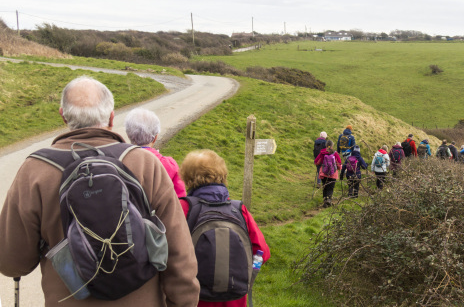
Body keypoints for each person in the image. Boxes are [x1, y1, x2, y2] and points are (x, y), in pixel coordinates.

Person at [0, 76, 200, 307]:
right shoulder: (145, 164)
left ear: (63, 115)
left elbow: (12, 263)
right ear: (112, 118)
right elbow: (179, 254)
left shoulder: (35, 171)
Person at [179, 149, 269, 307]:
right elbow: (262, 252)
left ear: (188, 180)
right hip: (235, 297)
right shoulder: (239, 209)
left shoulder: (183, 208)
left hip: (195, 297)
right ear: (222, 176)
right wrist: (248, 273)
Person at [124, 107, 187, 198]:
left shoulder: (121, 161)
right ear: (155, 137)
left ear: (128, 135)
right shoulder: (169, 165)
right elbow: (180, 199)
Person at [315, 140, 342, 207]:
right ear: (332, 146)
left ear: (326, 145)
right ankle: (329, 200)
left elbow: (316, 162)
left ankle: (325, 200)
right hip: (333, 174)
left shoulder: (322, 153)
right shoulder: (335, 154)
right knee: (331, 188)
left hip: (324, 173)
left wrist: (320, 164)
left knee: (325, 186)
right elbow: (339, 165)